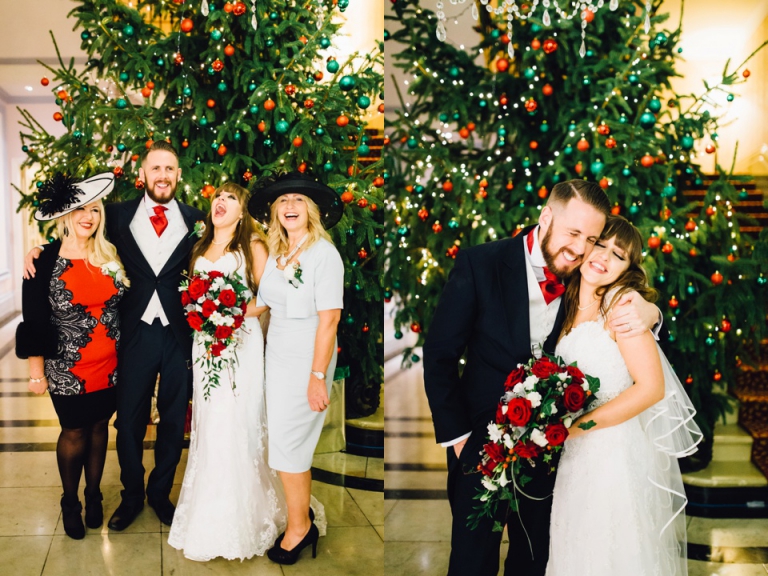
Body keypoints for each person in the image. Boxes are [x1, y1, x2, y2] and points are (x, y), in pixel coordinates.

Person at [423, 180, 664, 576]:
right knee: (471, 561)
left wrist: (653, 313)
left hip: (553, 455)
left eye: (591, 238)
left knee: (535, 560)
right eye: (573, 233)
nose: (580, 248)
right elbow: (440, 354)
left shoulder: (589, 273)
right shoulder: (480, 263)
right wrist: (460, 441)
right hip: (480, 445)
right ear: (546, 216)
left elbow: (631, 328)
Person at [25, 141, 206, 530]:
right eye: (154, 168)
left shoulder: (197, 220)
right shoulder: (117, 215)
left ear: (178, 175)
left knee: (174, 420)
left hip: (178, 335)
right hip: (133, 335)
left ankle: (160, 494)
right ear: (141, 175)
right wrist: (39, 251)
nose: (162, 176)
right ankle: (132, 496)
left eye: (169, 169)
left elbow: (227, 248)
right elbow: (76, 236)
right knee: (128, 422)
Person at [546, 215, 702, 575]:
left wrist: (576, 427)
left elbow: (651, 388)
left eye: (618, 255)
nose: (603, 257)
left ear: (627, 269)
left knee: (607, 549)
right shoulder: (566, 300)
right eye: (600, 244)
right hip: (573, 456)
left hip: (610, 453)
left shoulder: (622, 306)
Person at [167, 182, 292, 560]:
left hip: (242, 343)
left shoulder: (252, 247)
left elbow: (267, 299)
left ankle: (250, 517)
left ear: (243, 212)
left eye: (231, 198)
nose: (221, 202)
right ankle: (209, 513)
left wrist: (227, 312)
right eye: (218, 197)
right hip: (205, 345)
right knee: (211, 423)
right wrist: (202, 311)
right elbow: (189, 292)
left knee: (240, 421)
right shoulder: (199, 247)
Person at [16, 172, 128, 539]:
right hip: (66, 366)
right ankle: (70, 501)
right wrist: (36, 372)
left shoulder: (111, 254)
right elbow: (33, 319)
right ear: (66, 214)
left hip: (110, 365)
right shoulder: (44, 259)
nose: (89, 215)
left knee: (99, 427)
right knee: (74, 430)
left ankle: (94, 495)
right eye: (80, 208)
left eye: (94, 209)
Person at [247, 172, 344, 565]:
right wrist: (222, 312)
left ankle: (301, 528)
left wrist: (317, 377)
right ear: (274, 211)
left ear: (312, 210)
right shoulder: (277, 250)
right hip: (279, 353)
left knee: (290, 446)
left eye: (298, 201)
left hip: (309, 354)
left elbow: (330, 321)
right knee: (285, 444)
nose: (290, 207)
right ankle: (300, 520)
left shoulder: (324, 254)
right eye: (283, 201)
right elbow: (267, 302)